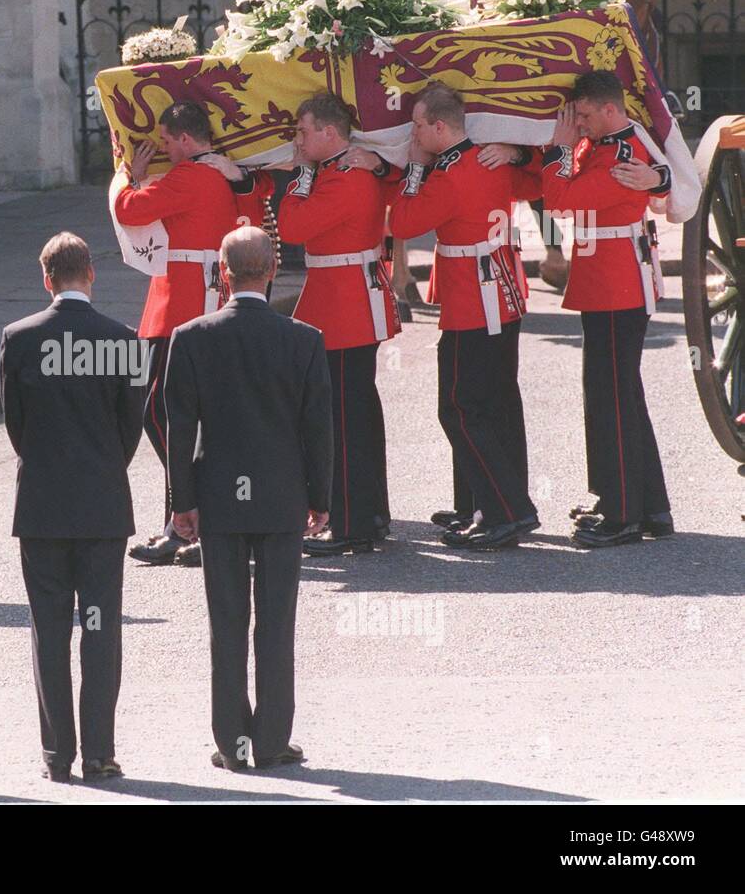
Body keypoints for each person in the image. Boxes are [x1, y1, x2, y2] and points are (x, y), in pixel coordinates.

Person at [164, 226, 333, 772]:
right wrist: (321, 496)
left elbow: (179, 428)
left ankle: (233, 743)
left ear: (222, 270)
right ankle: (272, 740)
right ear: (274, 269)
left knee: (227, 620)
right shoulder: (303, 339)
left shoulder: (190, 336)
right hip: (283, 496)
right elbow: (319, 428)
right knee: (277, 620)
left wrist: (181, 501)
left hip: (219, 496)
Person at [0, 232, 144, 784]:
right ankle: (101, 754)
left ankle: (57, 754)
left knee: (50, 628)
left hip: (42, 501)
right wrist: (106, 465)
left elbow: (16, 424)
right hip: (103, 502)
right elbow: (130, 427)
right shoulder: (123, 339)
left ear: (46, 279)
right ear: (92, 275)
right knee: (102, 628)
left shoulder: (19, 337)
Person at [386, 82, 542, 551]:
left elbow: (403, 223)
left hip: (473, 299)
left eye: (417, 126)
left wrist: (414, 168)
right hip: (502, 292)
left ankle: (504, 510)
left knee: (458, 407)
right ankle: (483, 503)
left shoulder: (447, 175)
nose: (412, 133)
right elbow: (536, 181)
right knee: (497, 406)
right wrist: (516, 153)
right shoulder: (486, 158)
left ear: (438, 127)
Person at [542, 69, 673, 547]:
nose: (578, 124)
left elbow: (560, 202)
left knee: (610, 397)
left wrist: (557, 151)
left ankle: (621, 515)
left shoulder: (621, 156)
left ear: (610, 110)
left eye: (584, 115)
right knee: (621, 395)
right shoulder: (604, 143)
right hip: (606, 280)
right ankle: (649, 506)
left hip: (617, 283)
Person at [114, 101, 240, 568]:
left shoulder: (191, 177)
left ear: (186, 140)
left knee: (163, 415)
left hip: (183, 307)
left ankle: (190, 515)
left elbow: (130, 211)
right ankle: (183, 518)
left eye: (167, 141)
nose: (164, 149)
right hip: (191, 299)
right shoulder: (221, 174)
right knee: (175, 417)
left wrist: (131, 173)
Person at [276, 93, 401, 555]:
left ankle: (351, 524)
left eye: (304, 131)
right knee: (357, 416)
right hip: (344, 300)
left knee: (343, 423)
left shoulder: (341, 178)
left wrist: (300, 177)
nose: (297, 140)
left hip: (343, 306)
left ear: (330, 134)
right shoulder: (344, 171)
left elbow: (290, 228)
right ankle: (368, 513)